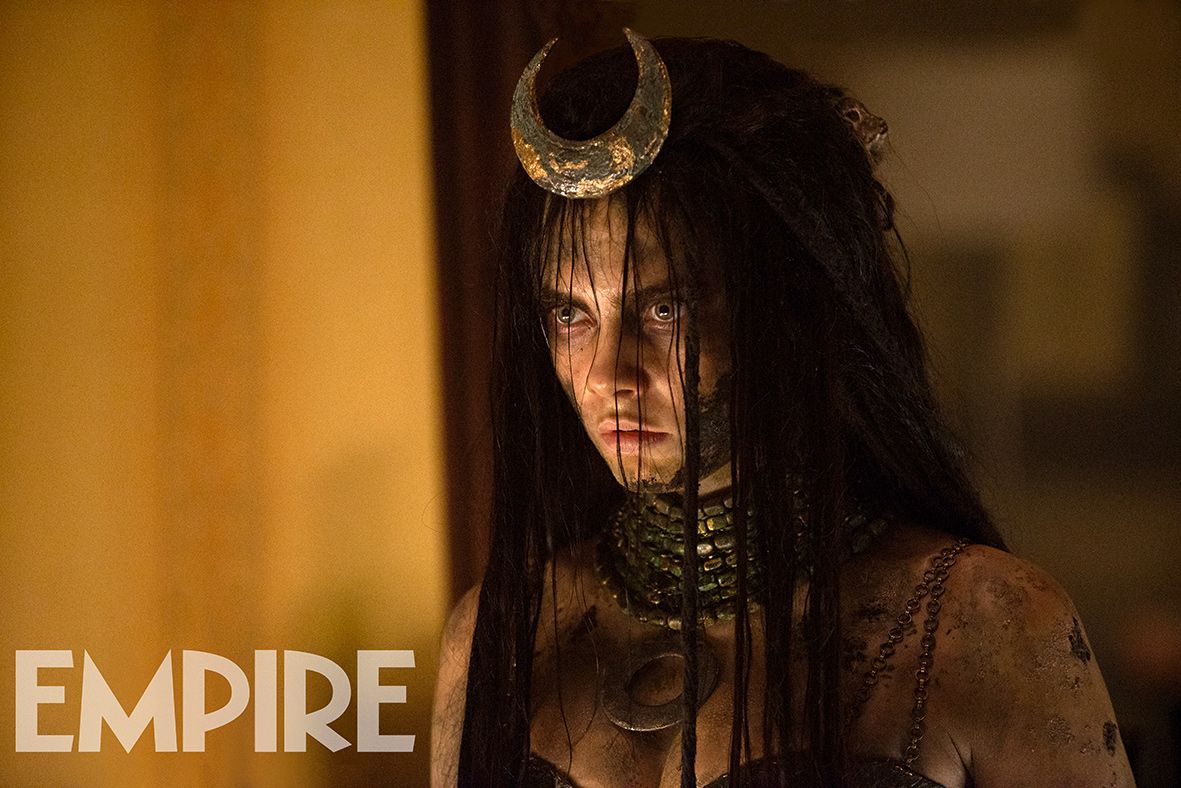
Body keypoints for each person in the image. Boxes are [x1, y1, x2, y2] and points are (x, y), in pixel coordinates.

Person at [431, 33, 1135, 787]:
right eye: (571, 315)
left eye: (664, 309)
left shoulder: (987, 625)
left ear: (791, 309)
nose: (607, 376)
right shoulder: (500, 636)